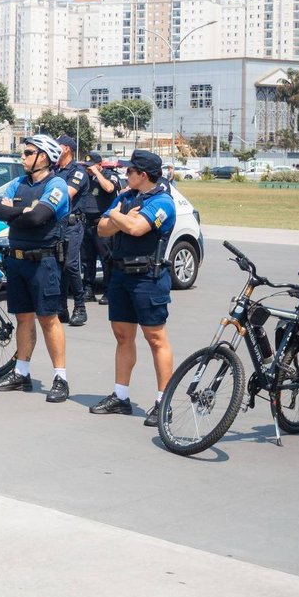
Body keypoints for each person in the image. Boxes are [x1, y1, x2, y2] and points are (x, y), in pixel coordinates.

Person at [89, 150, 177, 423]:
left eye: (130, 171)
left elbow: (138, 229)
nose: (126, 175)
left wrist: (117, 218)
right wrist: (119, 218)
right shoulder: (126, 197)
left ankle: (164, 402)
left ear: (144, 175)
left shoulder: (163, 202)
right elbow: (102, 228)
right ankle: (120, 396)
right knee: (122, 336)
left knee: (155, 338)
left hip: (147, 278)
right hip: (121, 275)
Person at [0, 134, 73, 402]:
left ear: (44, 157)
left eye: (27, 153)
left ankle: (60, 378)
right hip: (16, 259)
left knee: (48, 319)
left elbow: (40, 217)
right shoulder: (18, 183)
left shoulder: (56, 184)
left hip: (43, 261)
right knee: (22, 317)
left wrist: (18, 210)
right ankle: (21, 372)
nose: (22, 157)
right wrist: (25, 210)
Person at [53, 135, 91, 326]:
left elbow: (66, 194)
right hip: (56, 226)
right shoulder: (54, 170)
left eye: (56, 146)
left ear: (66, 149)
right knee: (58, 267)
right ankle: (61, 308)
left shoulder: (78, 171)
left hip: (73, 226)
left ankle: (80, 307)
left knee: (71, 265)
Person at [78, 151, 119, 307]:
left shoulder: (109, 175)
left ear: (99, 165)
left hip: (103, 223)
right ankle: (88, 289)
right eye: (86, 166)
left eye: (91, 166)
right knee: (88, 259)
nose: (88, 169)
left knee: (107, 258)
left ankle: (109, 290)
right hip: (86, 223)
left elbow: (109, 188)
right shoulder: (85, 178)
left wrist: (97, 173)